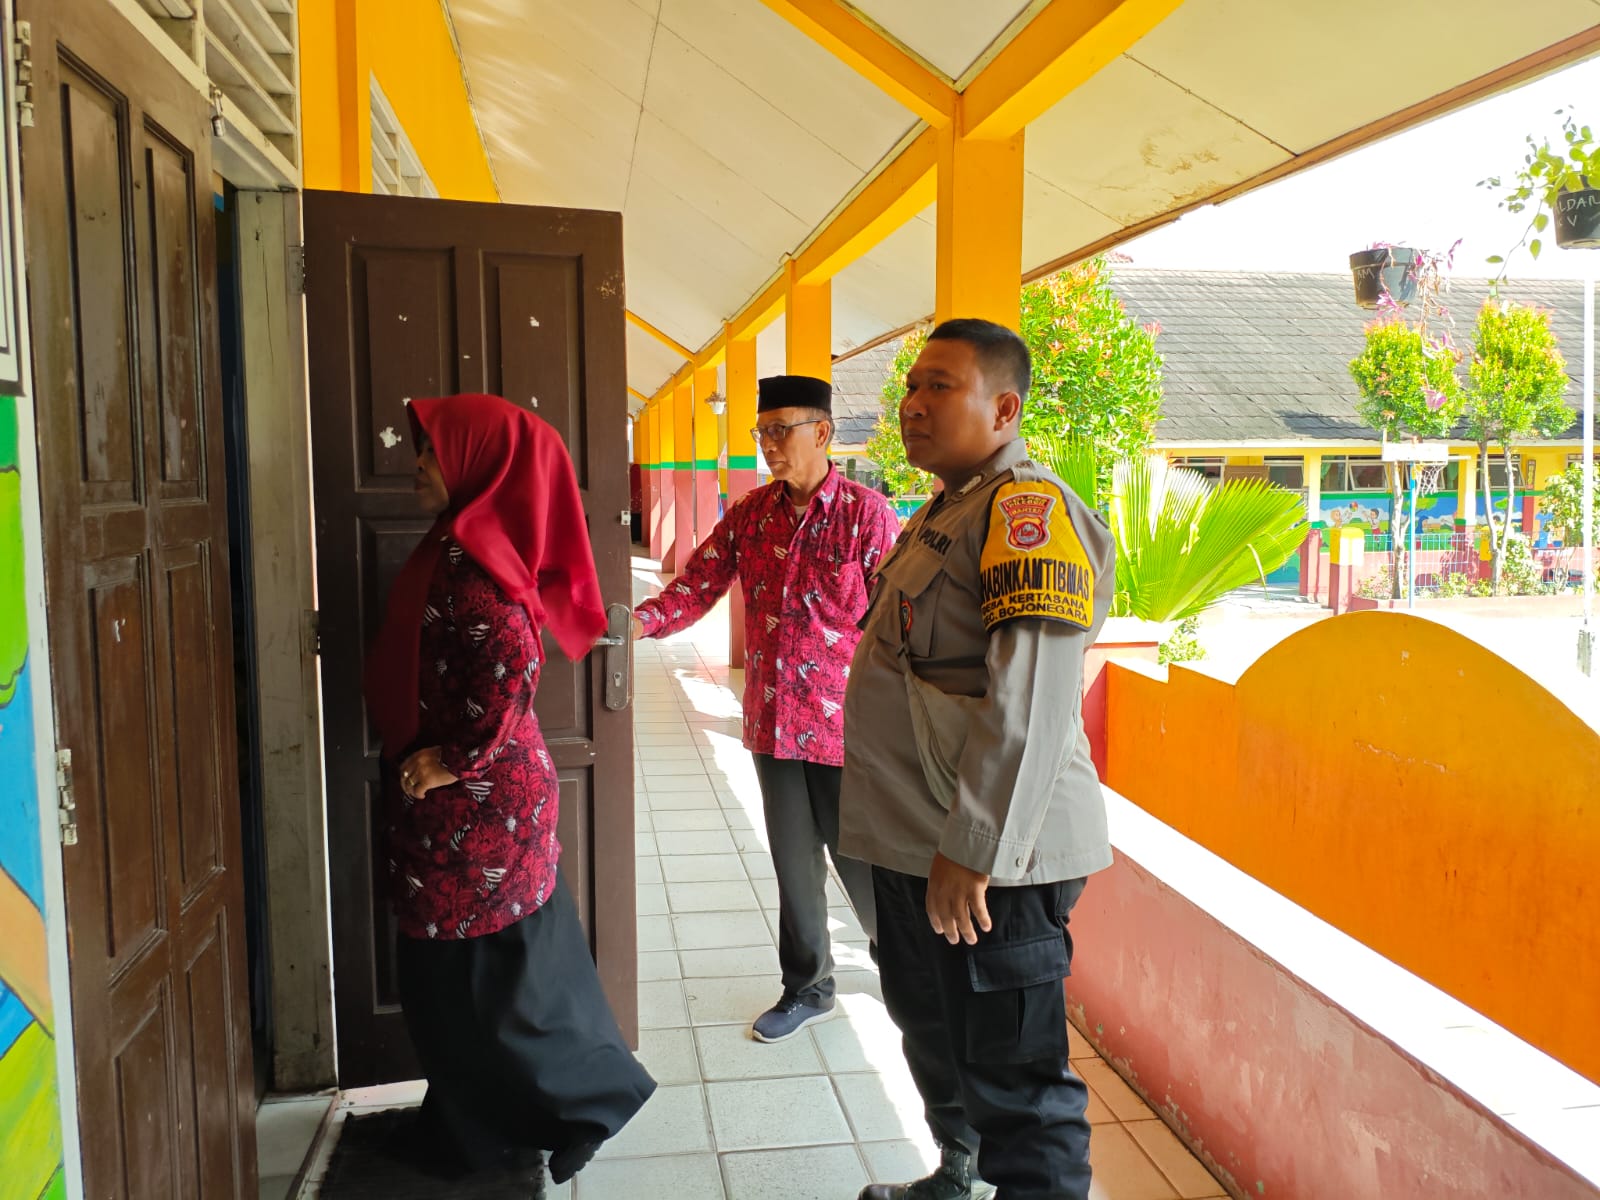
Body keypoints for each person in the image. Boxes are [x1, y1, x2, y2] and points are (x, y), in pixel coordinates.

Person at [839, 321, 1116, 1200]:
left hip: (993, 858)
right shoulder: (946, 510)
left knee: (1016, 1080)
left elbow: (1031, 696)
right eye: (911, 387)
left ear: (1003, 410)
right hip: (918, 838)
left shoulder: (1026, 513)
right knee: (933, 1031)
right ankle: (958, 1177)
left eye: (940, 386)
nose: (912, 406)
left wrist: (977, 847)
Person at [363, 393, 655, 1191]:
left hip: (476, 804)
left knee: (477, 981)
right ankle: (474, 1128)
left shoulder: (475, 564)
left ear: (477, 464)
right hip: (468, 803)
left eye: (431, 450)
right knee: (463, 977)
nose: (417, 464)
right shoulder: (459, 544)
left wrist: (454, 759)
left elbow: (513, 669)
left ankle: (551, 1119)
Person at [633, 375, 900, 1043]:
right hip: (772, 723)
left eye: (782, 430)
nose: (769, 444)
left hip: (847, 729)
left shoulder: (867, 515)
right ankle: (808, 987)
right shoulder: (750, 514)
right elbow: (696, 585)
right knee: (793, 863)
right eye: (762, 432)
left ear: (823, 432)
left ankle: (905, 965)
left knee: (864, 862)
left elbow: (898, 624)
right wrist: (636, 623)